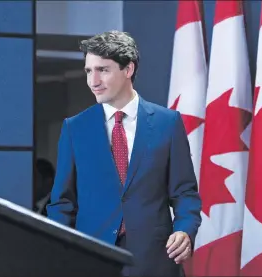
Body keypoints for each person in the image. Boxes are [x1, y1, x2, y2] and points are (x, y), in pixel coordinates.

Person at [46, 30, 202, 277]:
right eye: (89, 70)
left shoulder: (168, 123)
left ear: (128, 70)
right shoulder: (75, 128)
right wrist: (61, 253)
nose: (93, 81)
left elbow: (184, 192)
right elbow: (62, 202)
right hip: (91, 261)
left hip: (155, 262)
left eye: (103, 70)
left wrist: (184, 229)